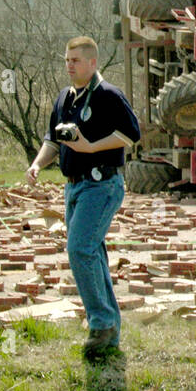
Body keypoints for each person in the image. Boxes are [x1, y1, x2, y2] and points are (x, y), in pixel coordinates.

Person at [26, 37, 140, 362]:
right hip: (73, 187)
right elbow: (54, 139)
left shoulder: (108, 95)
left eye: (76, 59)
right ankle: (109, 329)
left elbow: (131, 134)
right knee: (93, 253)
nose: (69, 64)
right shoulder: (65, 97)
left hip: (101, 184)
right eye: (66, 59)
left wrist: (91, 147)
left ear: (92, 63)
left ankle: (101, 325)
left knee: (79, 249)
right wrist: (37, 163)